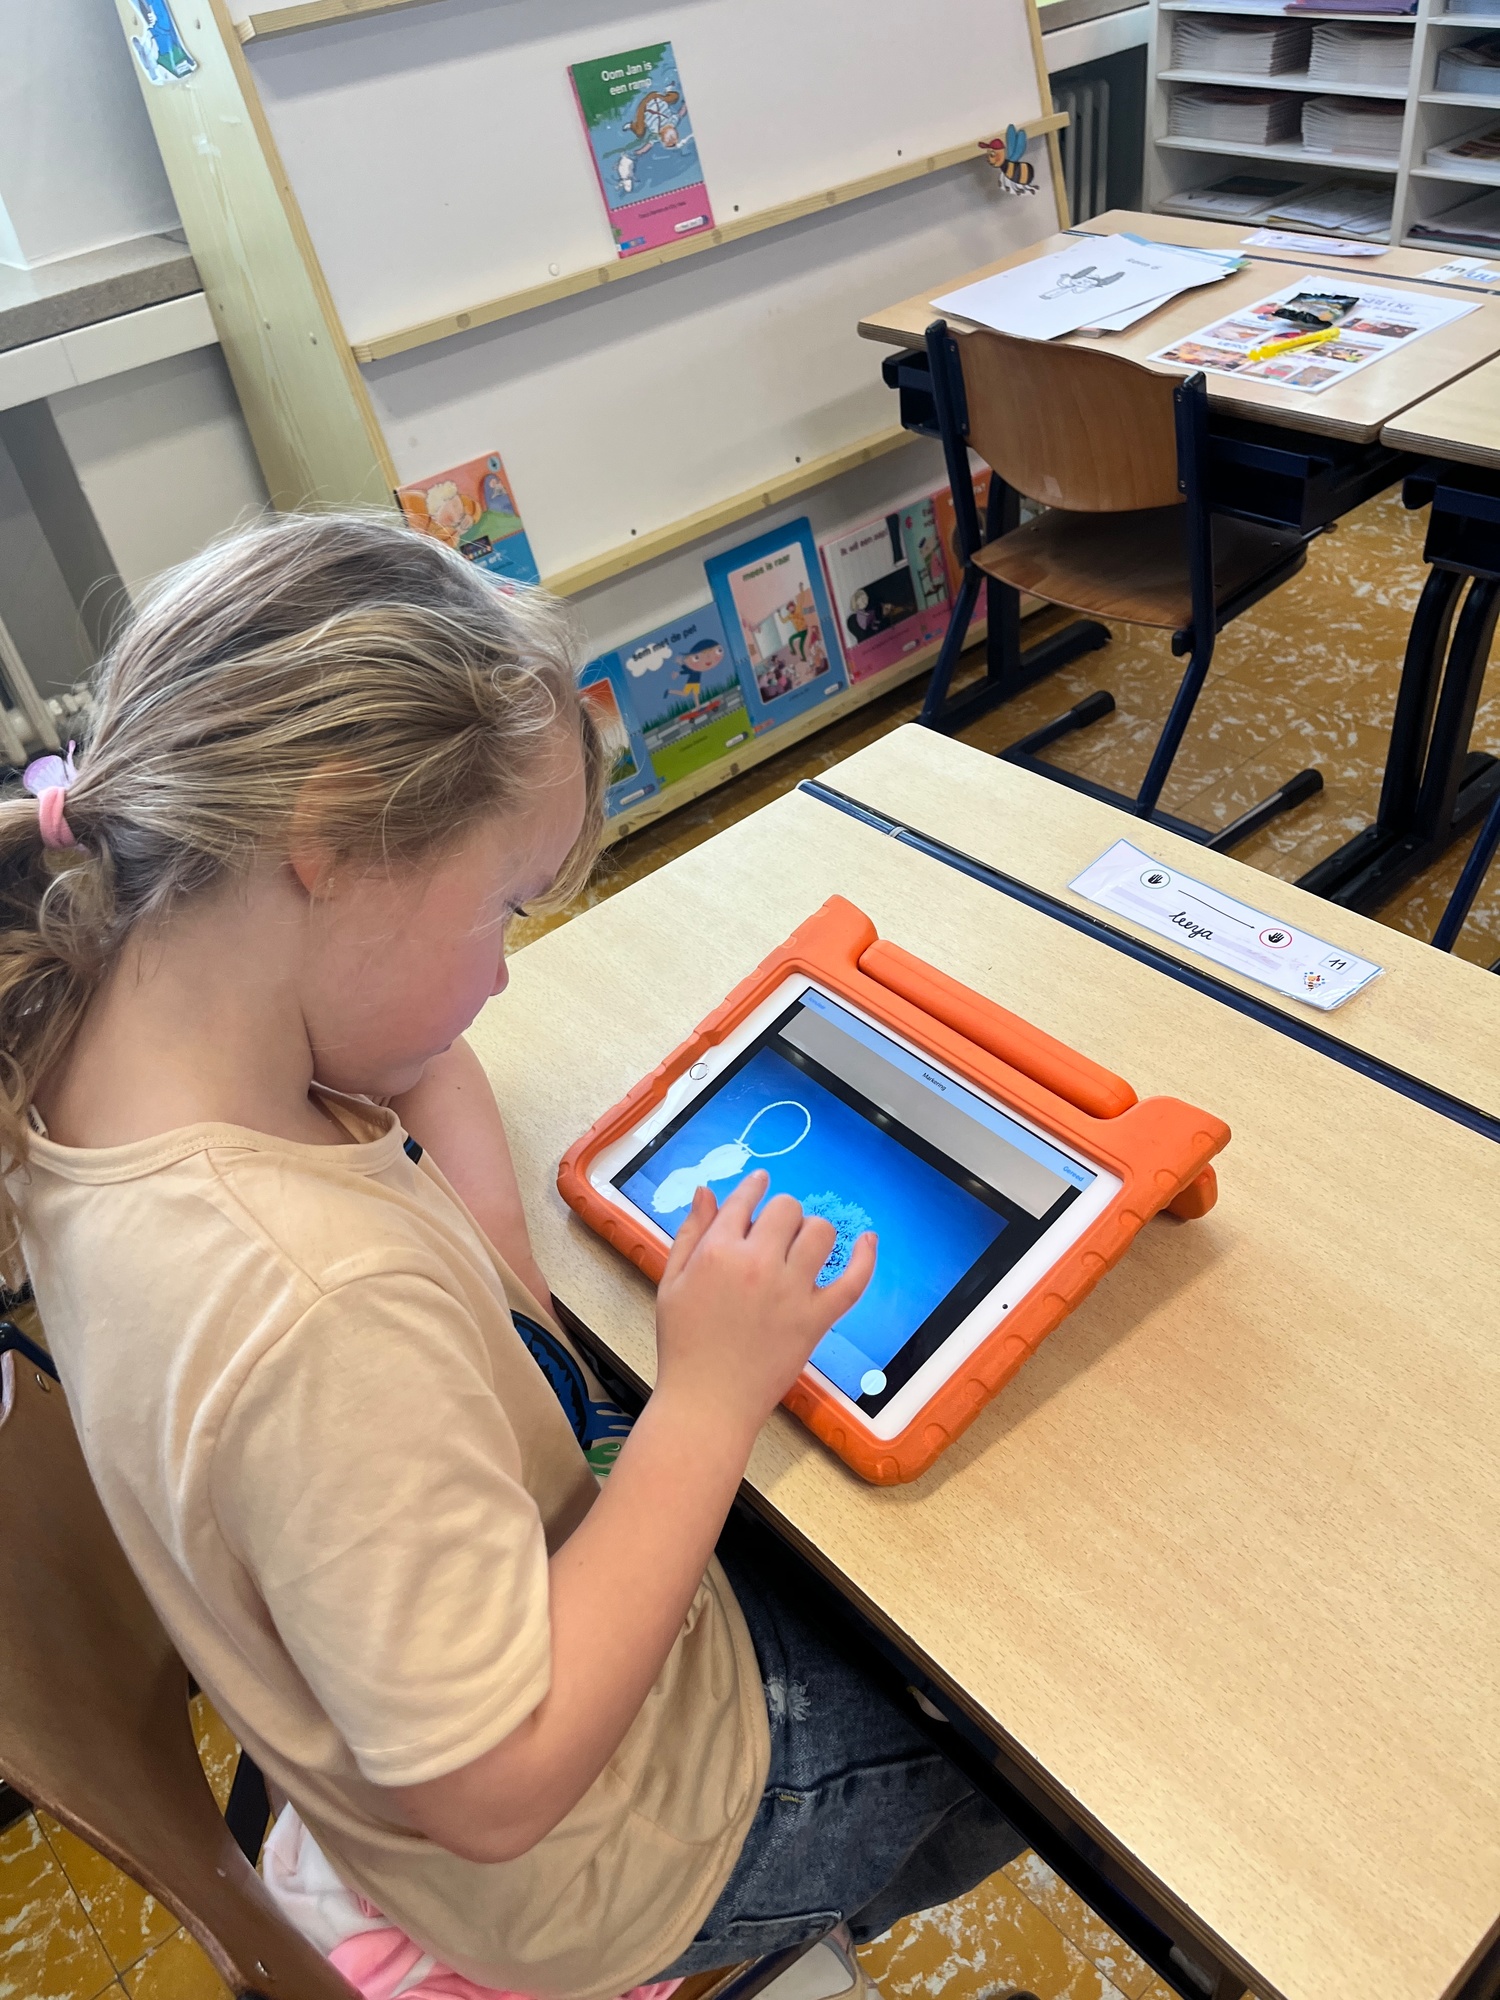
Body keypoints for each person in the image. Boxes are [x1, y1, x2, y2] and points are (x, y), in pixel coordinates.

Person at [0, 514, 1021, 2000]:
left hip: (405, 1706)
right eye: (501, 909)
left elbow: (415, 1064)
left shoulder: (115, 1031)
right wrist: (703, 1400)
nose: (495, 976)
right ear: (331, 837)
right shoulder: (314, 1306)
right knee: (1023, 1724)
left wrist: (522, 1304)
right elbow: (499, 1786)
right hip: (594, 1849)